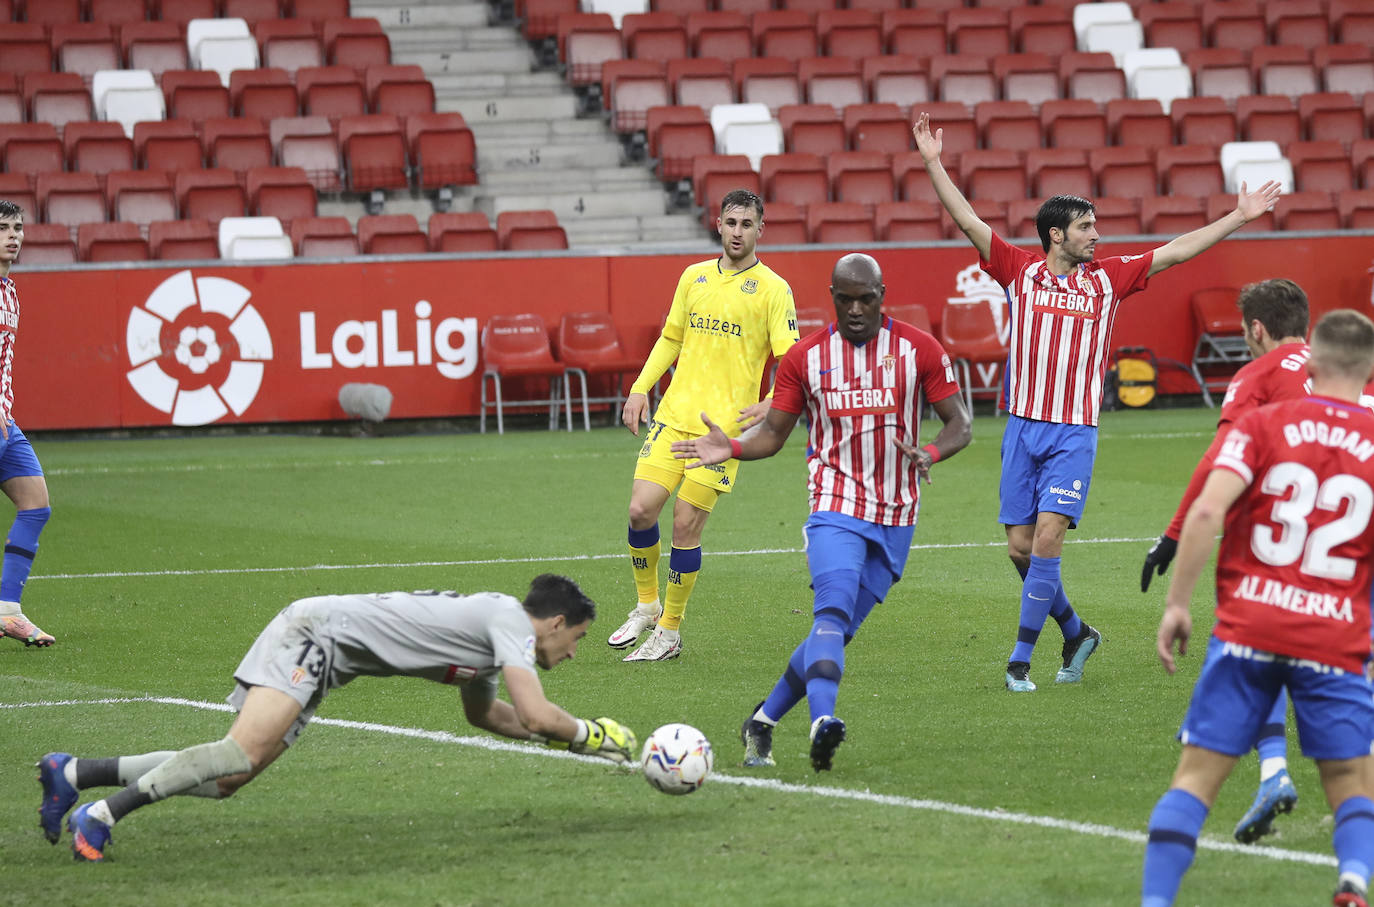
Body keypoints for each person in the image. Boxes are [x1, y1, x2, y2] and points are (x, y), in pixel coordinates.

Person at [913, 112, 1283, 692]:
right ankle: (1078, 630)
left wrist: (1239, 215)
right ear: (1056, 234)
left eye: (1095, 225)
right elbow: (966, 218)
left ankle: (1019, 661)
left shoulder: (1108, 280)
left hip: (1073, 432)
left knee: (1048, 538)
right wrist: (934, 162)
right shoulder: (1018, 271)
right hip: (1021, 429)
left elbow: (1176, 251)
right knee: (1019, 547)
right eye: (1086, 227)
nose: (1096, 234)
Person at [36, 574, 637, 862]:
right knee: (239, 753)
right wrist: (590, 733)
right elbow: (534, 711)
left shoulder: (488, 643)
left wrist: (575, 740)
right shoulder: (507, 620)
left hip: (328, 659)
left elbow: (495, 719)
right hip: (314, 634)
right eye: (577, 638)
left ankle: (74, 774)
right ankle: (101, 816)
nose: (574, 652)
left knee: (226, 781)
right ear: (555, 623)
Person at [671, 253, 971, 771]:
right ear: (832, 297)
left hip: (896, 514)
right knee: (830, 613)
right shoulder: (805, 358)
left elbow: (960, 423)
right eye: (845, 299)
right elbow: (772, 434)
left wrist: (932, 452)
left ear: (883, 295)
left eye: (866, 299)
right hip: (834, 504)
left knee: (833, 635)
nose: (855, 309)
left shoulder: (918, 349)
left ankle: (761, 721)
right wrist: (732, 448)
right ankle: (822, 720)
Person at [1144, 310, 1374, 907]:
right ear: (1370, 369)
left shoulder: (1263, 423)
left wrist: (1177, 605)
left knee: (1196, 778)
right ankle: (1353, 880)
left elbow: (1204, 512)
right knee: (1351, 783)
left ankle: (1156, 901)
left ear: (1311, 364)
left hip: (1250, 626)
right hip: (1334, 637)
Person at [1140, 279, 1313, 843]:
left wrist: (1170, 536)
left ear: (1255, 329)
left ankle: (1265, 765)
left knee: (1251, 639)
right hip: (1353, 532)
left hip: (1283, 533)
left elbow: (1219, 458)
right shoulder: (1343, 362)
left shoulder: (1256, 375)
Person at [611, 188, 799, 662]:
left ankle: (670, 632)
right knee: (639, 511)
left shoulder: (774, 290)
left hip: (722, 434)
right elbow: (671, 337)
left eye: (747, 224)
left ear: (761, 229)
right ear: (718, 224)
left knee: (685, 524)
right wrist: (639, 388)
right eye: (731, 222)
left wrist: (774, 400)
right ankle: (647, 605)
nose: (738, 232)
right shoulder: (692, 277)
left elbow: (791, 359)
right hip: (674, 417)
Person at [0, 200, 54, 648]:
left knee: (35, 504)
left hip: (5, 422)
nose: (14, 235)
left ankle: (8, 610)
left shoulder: (11, 289)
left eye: (18, 228)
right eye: (3, 228)